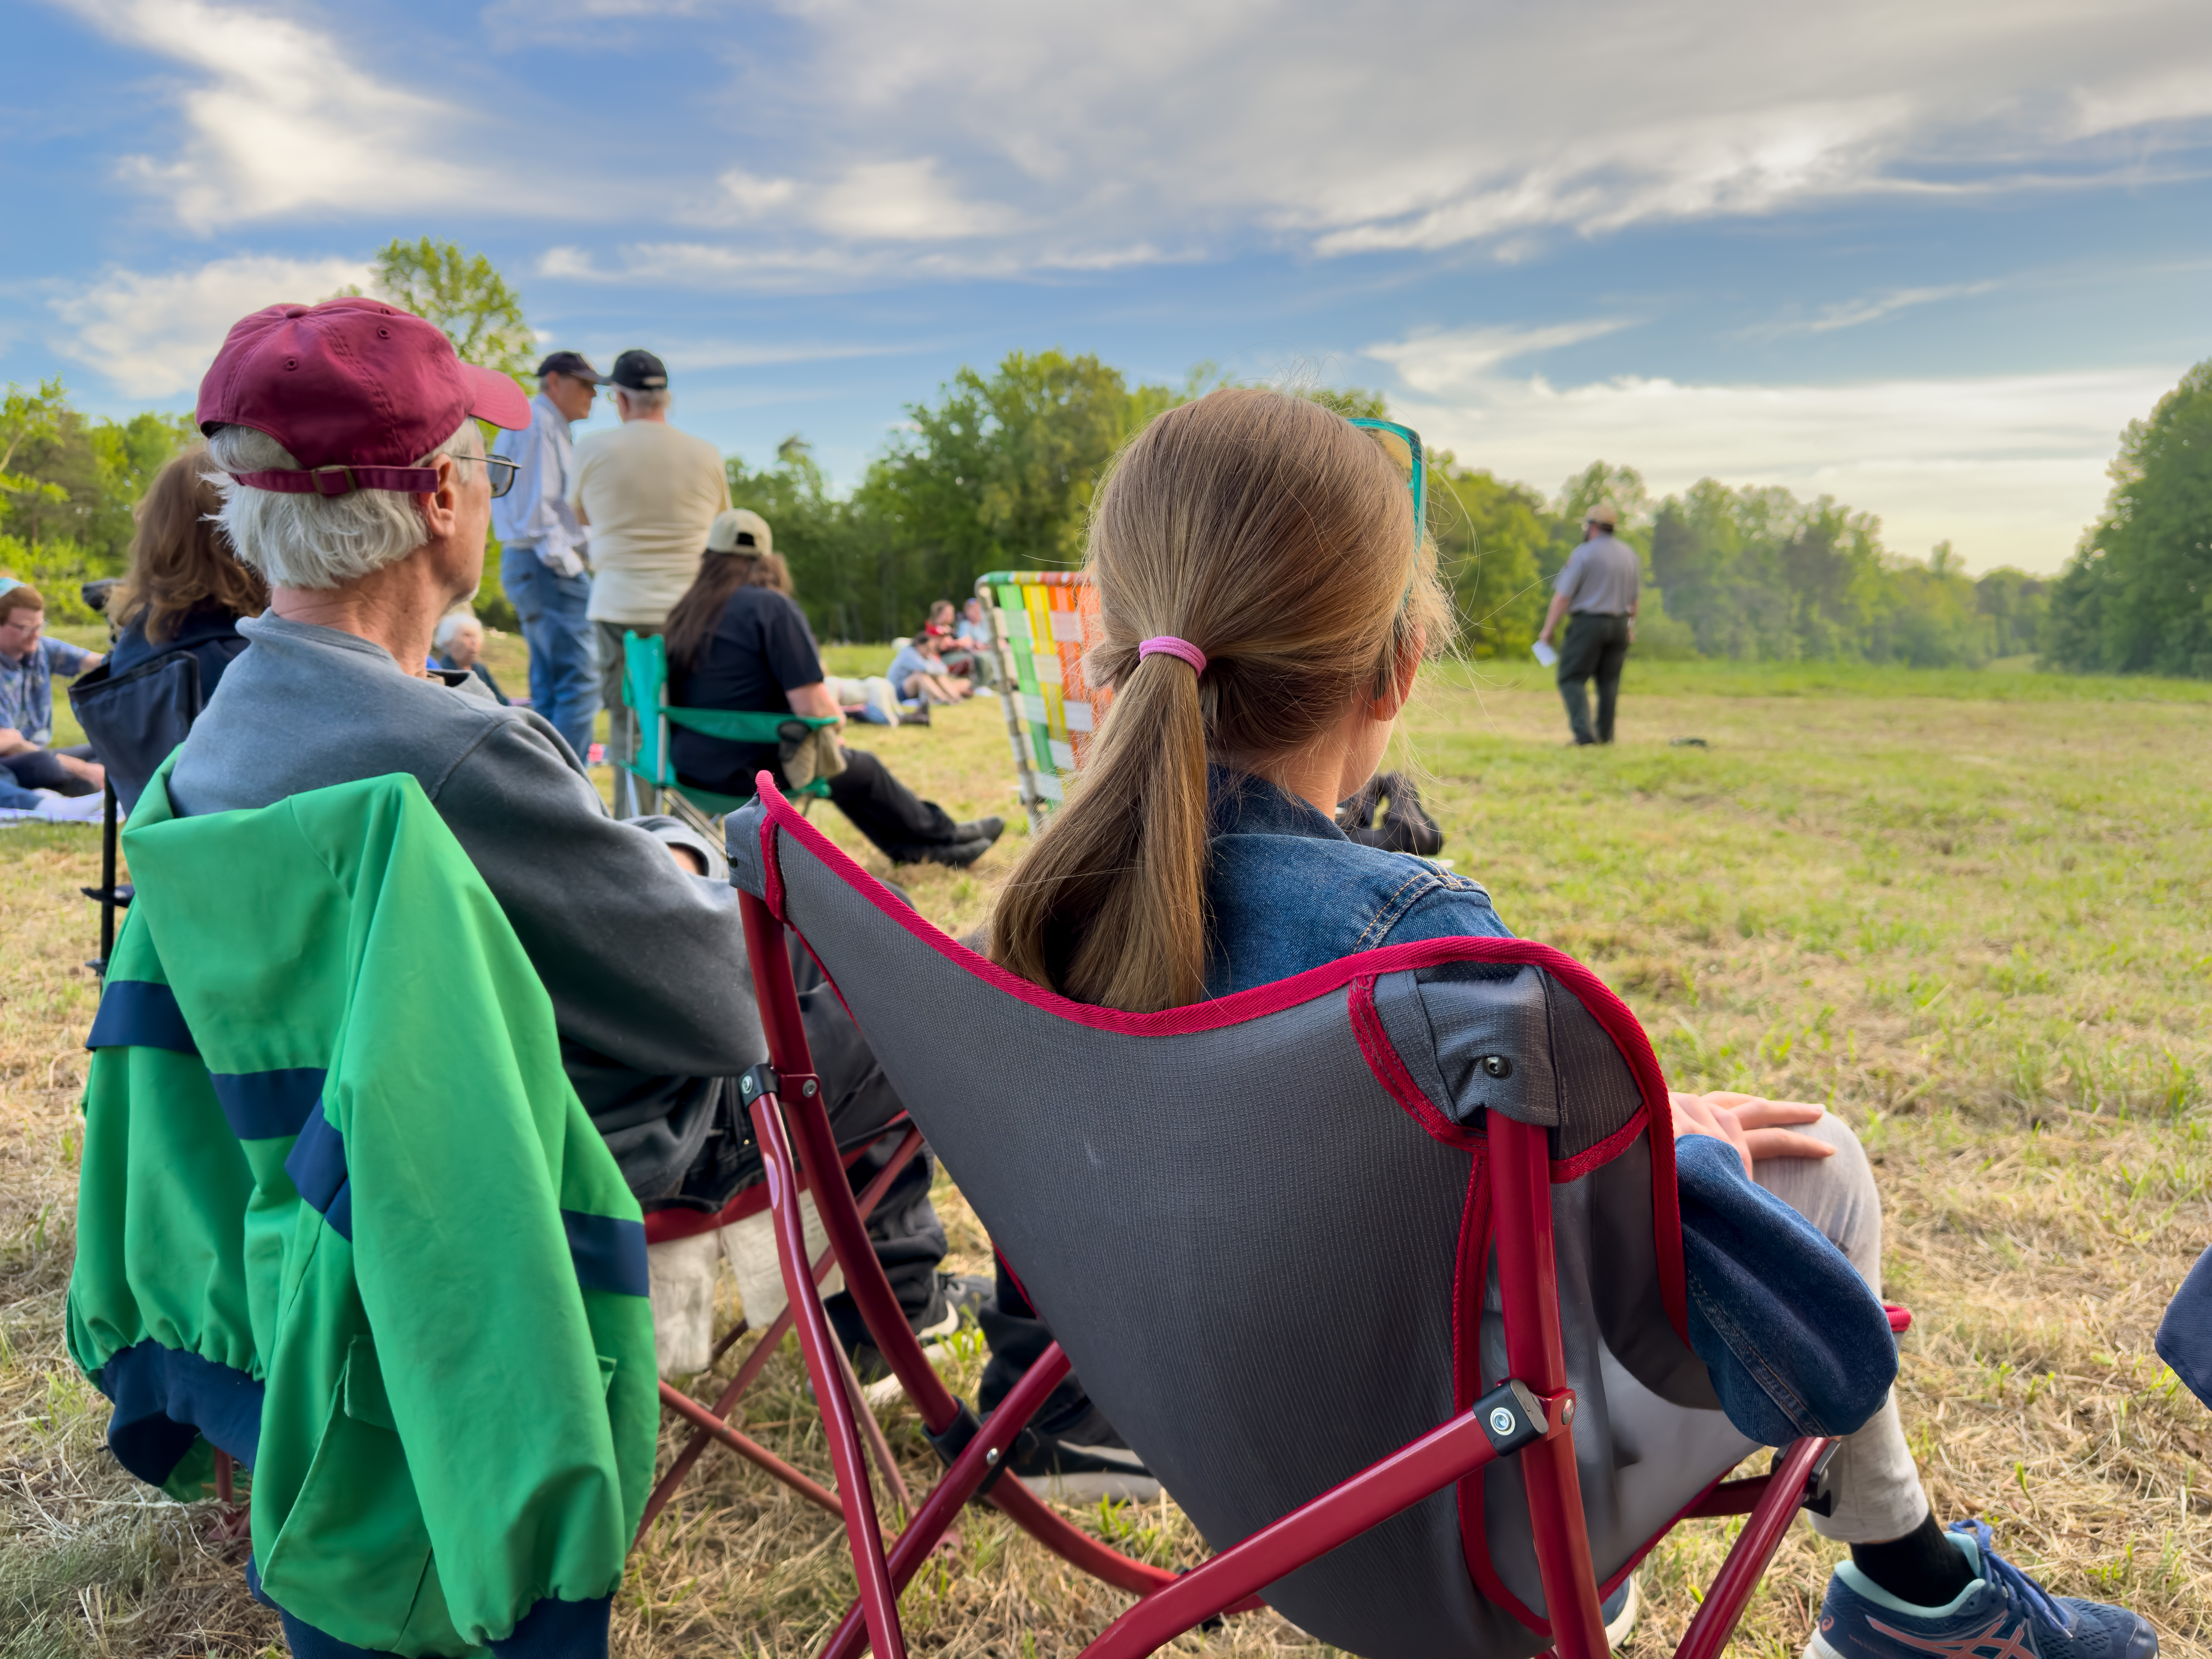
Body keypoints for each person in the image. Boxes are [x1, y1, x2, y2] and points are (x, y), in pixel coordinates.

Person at [985, 388, 2156, 1659]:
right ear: (1400, 666)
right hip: (1457, 1538)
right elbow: (1706, 1313)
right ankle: (1912, 1593)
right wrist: (1661, 1151)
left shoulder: (1049, 913)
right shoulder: (1420, 956)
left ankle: (1920, 1591)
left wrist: (1617, 1126)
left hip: (1227, 1475)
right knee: (1821, 1155)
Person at [165, 301, 968, 1550]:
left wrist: (642, 858)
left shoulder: (218, 740)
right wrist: (707, 866)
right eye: (483, 470)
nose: (491, 492)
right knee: (906, 990)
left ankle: (896, 1300)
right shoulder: (455, 753)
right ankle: (905, 1313)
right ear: (439, 499)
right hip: (551, 1170)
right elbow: (725, 1004)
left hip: (344, 1174)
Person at [663, 509, 1005, 868]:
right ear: (767, 561)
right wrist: (833, 727)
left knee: (849, 771)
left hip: (690, 767)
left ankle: (925, 849)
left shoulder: (684, 615)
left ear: (708, 558)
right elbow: (814, 707)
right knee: (861, 767)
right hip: (756, 773)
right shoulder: (771, 608)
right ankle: (943, 836)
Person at [569, 349, 730, 783]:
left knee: (626, 724)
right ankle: (688, 836)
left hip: (617, 606)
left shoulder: (591, 449)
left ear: (620, 400)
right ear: (667, 399)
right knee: (687, 719)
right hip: (689, 611)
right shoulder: (707, 454)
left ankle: (635, 828)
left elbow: (581, 517)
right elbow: (721, 529)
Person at [492, 350, 603, 759]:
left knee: (551, 684)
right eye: (585, 384)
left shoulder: (542, 424)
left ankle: (546, 789)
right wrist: (575, 567)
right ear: (554, 381)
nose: (593, 394)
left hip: (532, 566)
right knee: (580, 682)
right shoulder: (538, 425)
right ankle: (569, 798)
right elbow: (538, 515)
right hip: (546, 567)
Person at [1535, 498, 1640, 745]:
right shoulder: (1629, 555)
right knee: (1609, 682)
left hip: (1589, 624)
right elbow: (1635, 600)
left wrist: (1548, 631)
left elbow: (1563, 596)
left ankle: (1584, 736)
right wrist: (1630, 627)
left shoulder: (1584, 553)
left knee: (1571, 677)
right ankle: (1605, 737)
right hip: (1620, 626)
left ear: (1592, 527)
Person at [0, 581, 106, 805]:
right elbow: (10, 745)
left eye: (41, 626)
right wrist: (82, 768)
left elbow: (98, 662)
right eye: (26, 628)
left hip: (34, 752)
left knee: (104, 747)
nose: (36, 635)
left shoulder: (42, 650)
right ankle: (66, 793)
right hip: (14, 759)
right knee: (45, 764)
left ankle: (82, 789)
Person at [434, 609, 510, 703]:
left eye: (476, 636)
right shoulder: (441, 672)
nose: (474, 642)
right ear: (449, 642)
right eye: (467, 636)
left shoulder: (480, 669)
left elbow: (501, 700)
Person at [886, 631, 972, 706]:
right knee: (920, 675)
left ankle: (956, 698)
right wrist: (934, 667)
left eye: (931, 649)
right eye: (928, 649)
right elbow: (925, 668)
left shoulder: (926, 655)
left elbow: (944, 669)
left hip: (912, 690)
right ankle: (943, 699)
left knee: (939, 676)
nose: (930, 652)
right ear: (919, 646)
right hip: (897, 693)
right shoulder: (908, 654)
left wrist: (935, 668)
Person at [940, 596, 999, 690]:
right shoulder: (965, 625)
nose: (978, 612)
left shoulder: (983, 626)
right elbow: (966, 643)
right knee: (984, 658)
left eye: (979, 610)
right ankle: (982, 685)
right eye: (974, 610)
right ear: (967, 612)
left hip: (985, 650)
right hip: (972, 653)